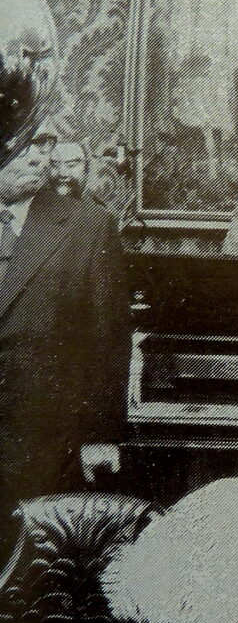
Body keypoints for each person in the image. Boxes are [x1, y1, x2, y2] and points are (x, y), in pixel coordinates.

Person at [0, 131, 128, 559]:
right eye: (24, 147)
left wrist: (100, 435)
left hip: (41, 449)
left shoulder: (87, 225)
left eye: (43, 147)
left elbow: (108, 336)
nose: (40, 159)